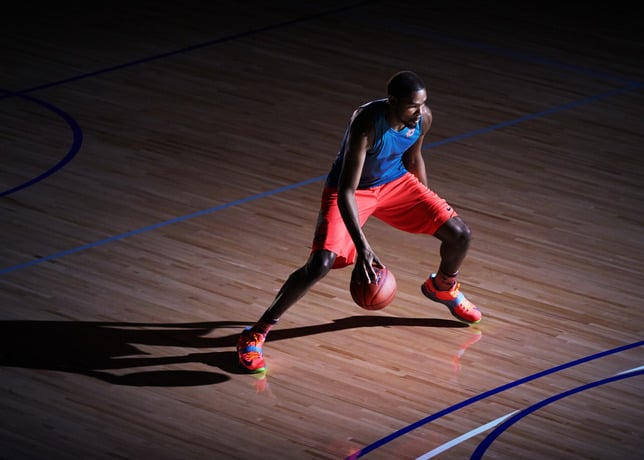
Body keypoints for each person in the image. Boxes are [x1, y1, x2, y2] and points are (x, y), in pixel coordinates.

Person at [237, 70, 481, 373]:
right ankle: (255, 333)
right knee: (321, 263)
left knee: (460, 234)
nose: (420, 112)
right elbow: (346, 191)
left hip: (396, 183)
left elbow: (413, 158)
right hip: (354, 190)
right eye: (412, 106)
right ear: (392, 102)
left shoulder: (422, 118)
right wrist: (363, 247)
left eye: (422, 104)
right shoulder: (366, 125)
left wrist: (426, 202)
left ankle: (443, 286)